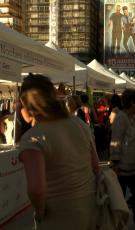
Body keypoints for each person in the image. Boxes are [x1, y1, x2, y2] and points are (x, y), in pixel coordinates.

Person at [18, 74, 99, 230]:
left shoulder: (33, 138)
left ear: (24, 103)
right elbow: (95, 166)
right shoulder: (79, 123)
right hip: (90, 207)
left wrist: (40, 214)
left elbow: (36, 190)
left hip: (59, 215)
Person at [110, 89, 135, 228]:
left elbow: (133, 139)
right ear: (132, 102)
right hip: (121, 168)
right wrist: (115, 164)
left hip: (134, 167)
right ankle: (116, 224)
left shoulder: (133, 118)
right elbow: (115, 141)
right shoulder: (121, 118)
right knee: (119, 199)